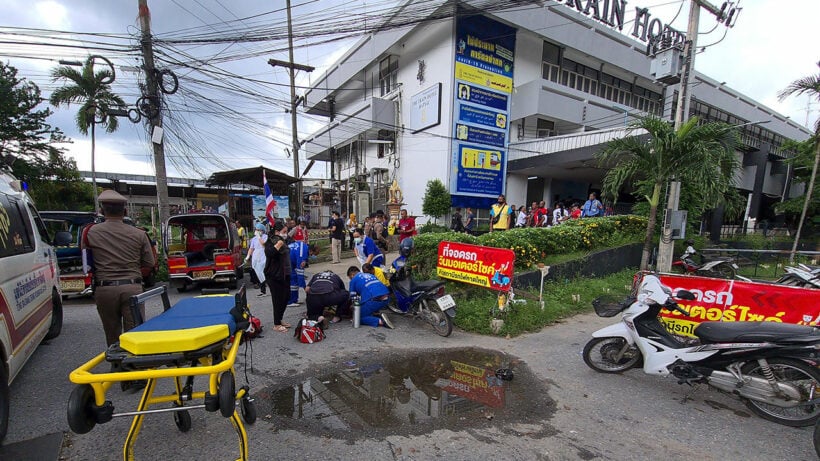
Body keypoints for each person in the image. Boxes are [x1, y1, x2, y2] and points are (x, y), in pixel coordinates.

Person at [83, 190, 155, 347]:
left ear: (102, 211)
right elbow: (150, 262)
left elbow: (85, 263)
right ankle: (134, 367)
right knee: (134, 334)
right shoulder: (139, 234)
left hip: (105, 289)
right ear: (125, 211)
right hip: (131, 287)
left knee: (112, 334)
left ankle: (116, 365)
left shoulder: (90, 232)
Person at [264, 222, 292, 332]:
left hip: (285, 273)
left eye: (286, 232)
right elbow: (269, 253)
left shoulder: (285, 240)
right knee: (277, 299)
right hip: (274, 275)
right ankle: (276, 324)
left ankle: (280, 319)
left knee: (286, 296)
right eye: (284, 232)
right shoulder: (271, 241)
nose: (285, 234)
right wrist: (278, 245)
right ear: (277, 232)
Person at [288, 240, 317, 307]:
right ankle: (290, 301)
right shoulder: (302, 254)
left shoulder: (304, 246)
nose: (313, 256)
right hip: (286, 262)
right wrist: (305, 288)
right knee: (293, 280)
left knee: (294, 278)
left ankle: (294, 299)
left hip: (288, 260)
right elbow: (300, 273)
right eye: (313, 254)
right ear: (311, 251)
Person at [245, 222, 268, 297]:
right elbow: (251, 248)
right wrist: (248, 256)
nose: (257, 231)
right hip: (255, 256)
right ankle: (263, 290)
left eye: (259, 230)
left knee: (262, 272)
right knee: (258, 272)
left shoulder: (265, 237)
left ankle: (264, 289)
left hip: (263, 255)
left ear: (262, 230)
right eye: (256, 229)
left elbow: (264, 245)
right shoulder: (254, 239)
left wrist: (259, 237)